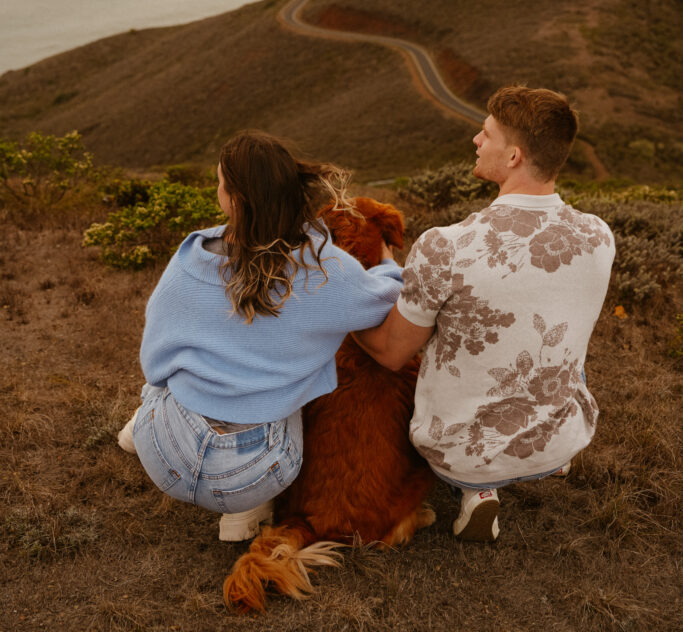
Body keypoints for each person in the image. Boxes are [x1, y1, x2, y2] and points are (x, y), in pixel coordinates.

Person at [354, 85, 615, 542]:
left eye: (486, 134)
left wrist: (347, 320)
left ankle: (478, 491)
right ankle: (548, 451)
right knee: (552, 327)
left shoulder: (444, 246)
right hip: (566, 435)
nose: (476, 140)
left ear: (513, 157)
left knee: (434, 345)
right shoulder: (599, 235)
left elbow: (392, 354)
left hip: (462, 455)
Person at [117, 131, 403, 541]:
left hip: (165, 458)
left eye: (220, 183)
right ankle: (243, 509)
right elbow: (384, 300)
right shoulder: (325, 270)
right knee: (283, 389)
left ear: (232, 199)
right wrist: (388, 266)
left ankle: (138, 431)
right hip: (256, 472)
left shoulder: (190, 262)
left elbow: (156, 365)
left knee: (164, 381)